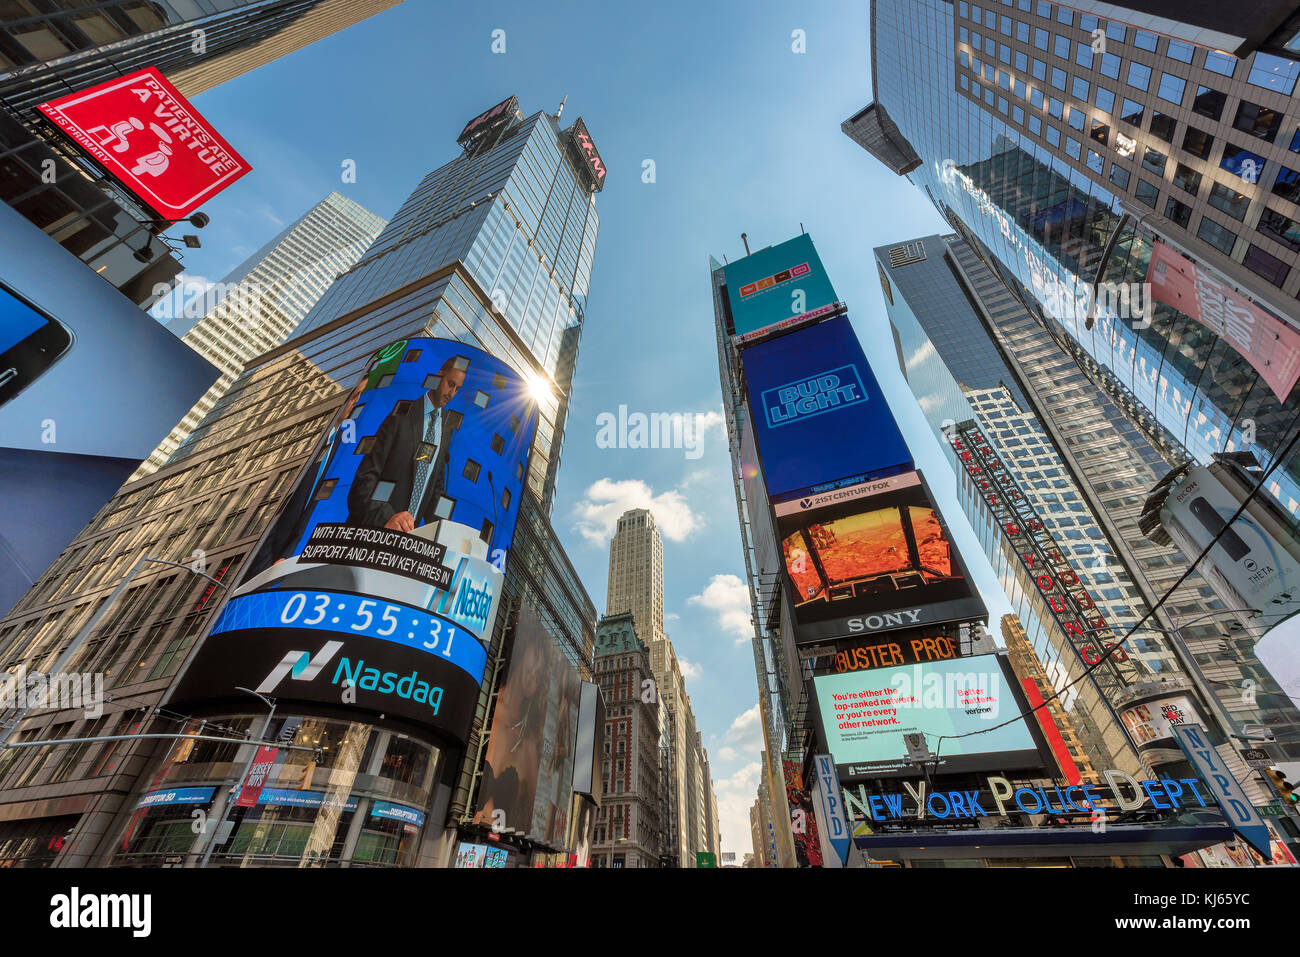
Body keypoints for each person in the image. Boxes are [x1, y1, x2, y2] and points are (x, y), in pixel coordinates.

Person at [247, 379, 366, 576]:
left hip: (283, 554)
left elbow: (314, 507)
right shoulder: (305, 437)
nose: (355, 402)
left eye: (359, 396)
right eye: (354, 395)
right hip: (258, 542)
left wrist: (287, 554)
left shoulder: (338, 450)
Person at [347, 356, 466, 531]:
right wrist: (386, 518)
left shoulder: (446, 431)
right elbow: (364, 480)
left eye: (457, 389)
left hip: (408, 544)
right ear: (439, 375)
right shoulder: (401, 414)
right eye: (450, 384)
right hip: (372, 532)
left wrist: (445, 531)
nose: (451, 393)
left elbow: (436, 491)